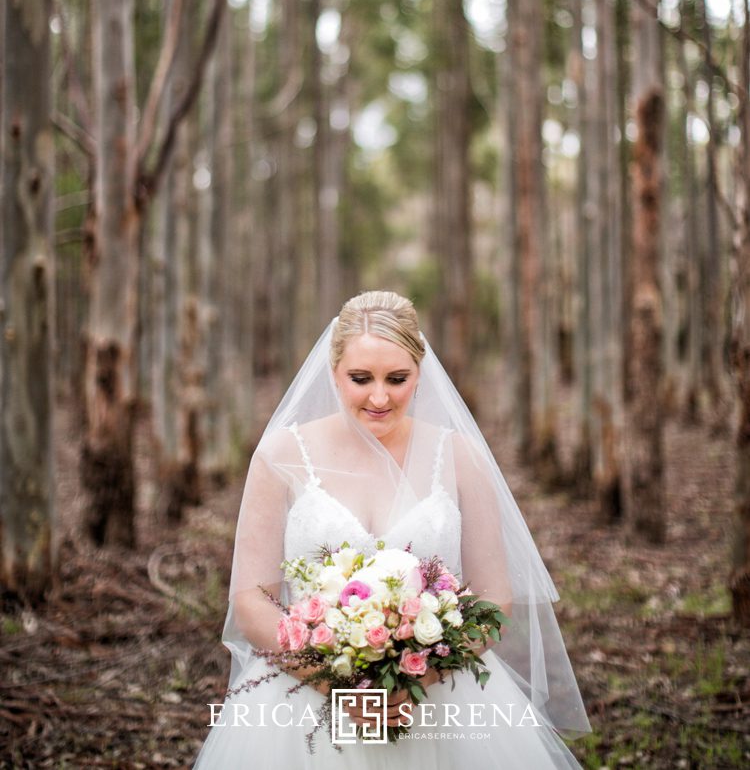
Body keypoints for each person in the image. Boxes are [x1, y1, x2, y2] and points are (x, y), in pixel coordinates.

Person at [191, 291, 590, 768]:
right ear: (333, 371)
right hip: (301, 701)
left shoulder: (459, 456)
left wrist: (416, 676)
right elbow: (252, 598)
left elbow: (494, 596)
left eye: (397, 379)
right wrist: (332, 680)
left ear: (420, 373)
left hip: (440, 699)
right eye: (361, 379)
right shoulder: (280, 455)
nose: (379, 397)